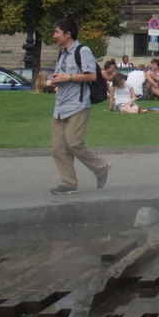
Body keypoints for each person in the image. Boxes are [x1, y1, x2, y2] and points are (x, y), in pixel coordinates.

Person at [46, 17, 110, 196]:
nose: (54, 36)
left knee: (74, 143)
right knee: (58, 148)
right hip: (60, 106)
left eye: (57, 32)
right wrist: (53, 82)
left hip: (78, 105)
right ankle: (68, 184)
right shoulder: (62, 53)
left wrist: (68, 78)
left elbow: (91, 76)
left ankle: (101, 167)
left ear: (68, 34)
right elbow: (63, 76)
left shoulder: (83, 51)